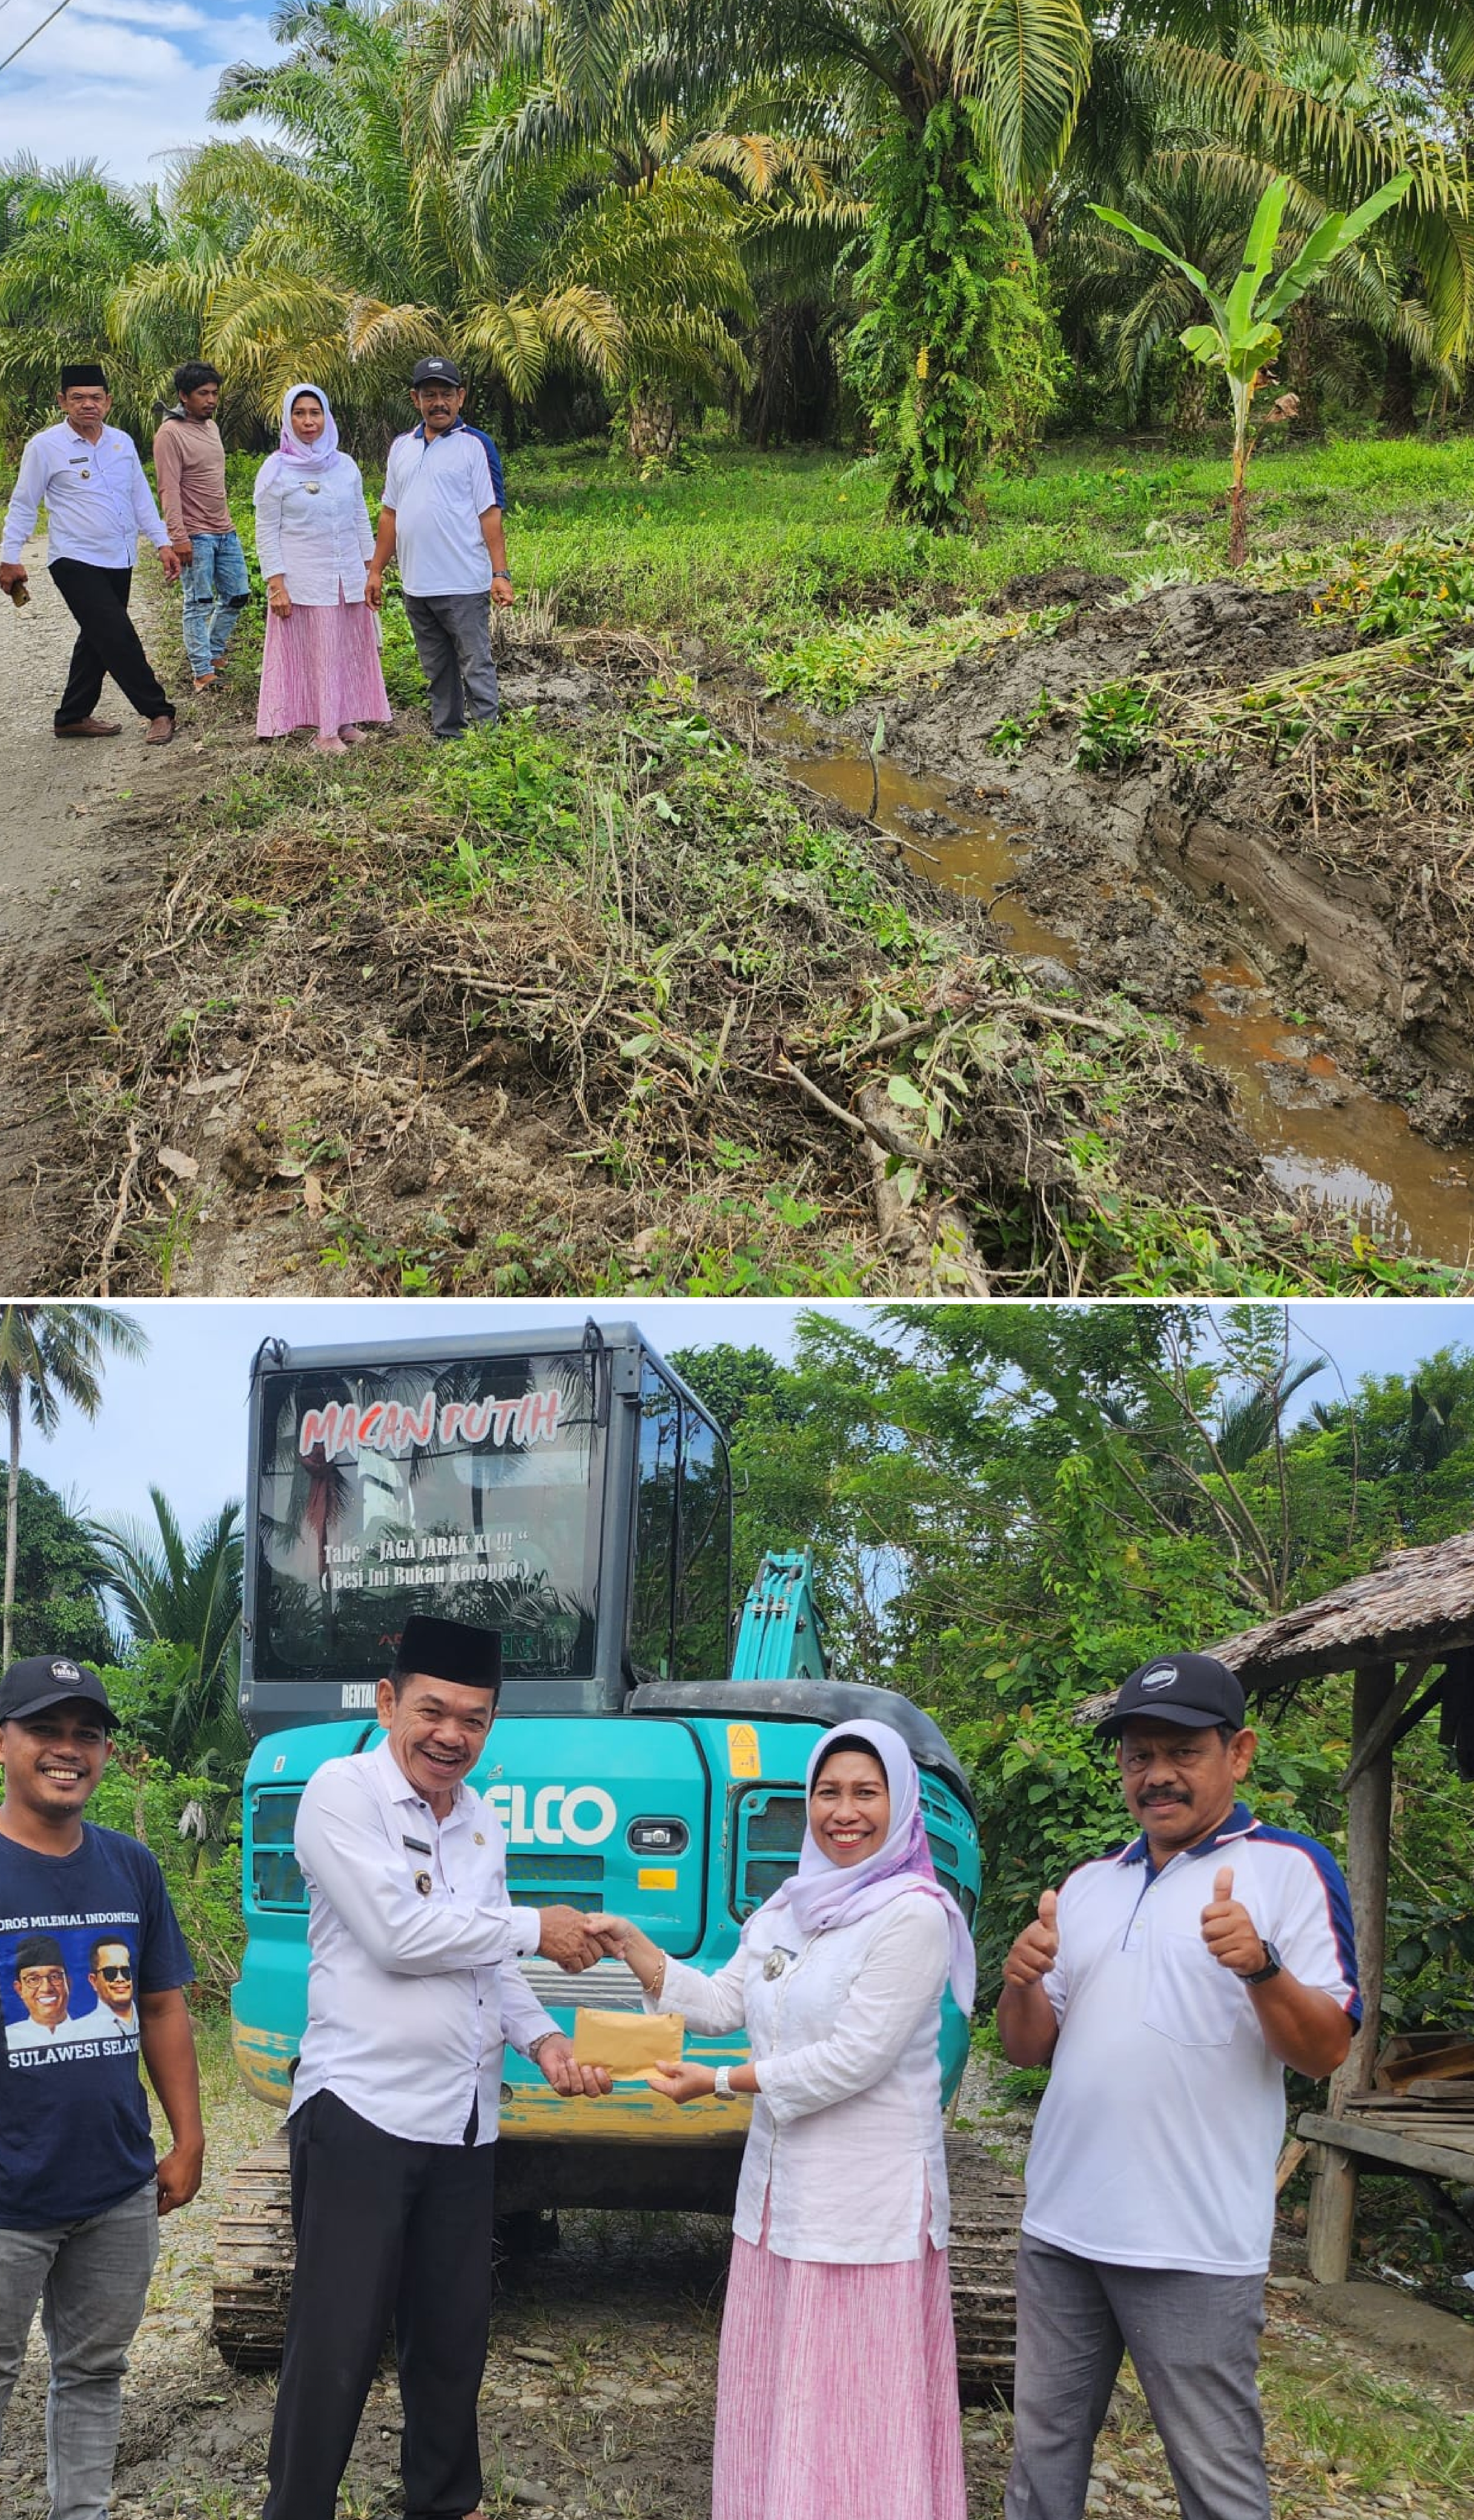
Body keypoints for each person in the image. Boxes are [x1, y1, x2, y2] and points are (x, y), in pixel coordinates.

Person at [262, 1614, 612, 2520]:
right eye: (434, 1710)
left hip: (464, 2125)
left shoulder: (484, 1824)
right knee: (334, 2348)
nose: (453, 1734)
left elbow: (488, 1960)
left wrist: (545, 2041)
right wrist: (541, 1924)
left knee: (453, 2347)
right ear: (389, 1703)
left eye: (476, 1717)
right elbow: (399, 1933)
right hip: (361, 2115)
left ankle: (443, 2507)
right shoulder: (342, 1793)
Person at [998, 1651, 1361, 2520]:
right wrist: (1018, 1978)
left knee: (1217, 2477)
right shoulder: (1090, 1884)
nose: (1156, 1773)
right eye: (1138, 1754)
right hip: (1062, 2229)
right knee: (1042, 2455)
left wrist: (1262, 1966)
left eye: (1182, 1752)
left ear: (1237, 1752)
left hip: (1192, 2243)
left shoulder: (1289, 1871)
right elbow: (1024, 2051)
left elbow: (1327, 2053)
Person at [589, 1719, 975, 2520]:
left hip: (864, 2207)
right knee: (786, 2394)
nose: (843, 1811)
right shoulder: (790, 1907)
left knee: (854, 2406)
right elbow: (729, 1999)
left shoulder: (912, 1915)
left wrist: (722, 2081)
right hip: (780, 2195)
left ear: (898, 1803)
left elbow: (854, 2057)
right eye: (826, 1793)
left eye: (865, 1793)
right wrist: (640, 1952)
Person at [0, 1653, 203, 2520]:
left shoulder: (131, 1866)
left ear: (108, 1754)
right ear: (5, 1741)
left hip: (116, 2187)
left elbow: (160, 2005)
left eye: (87, 1734)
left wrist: (189, 2138)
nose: (68, 1749)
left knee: (93, 2372)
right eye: (46, 1729)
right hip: (7, 2195)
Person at [0, 364, 182, 745]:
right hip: (74, 559)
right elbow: (23, 505)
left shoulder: (121, 442)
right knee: (118, 636)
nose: (88, 405)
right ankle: (159, 711)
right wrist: (9, 556)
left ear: (108, 402)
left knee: (98, 636)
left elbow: (140, 498)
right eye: (78, 397)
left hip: (120, 557)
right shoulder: (46, 447)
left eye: (96, 397)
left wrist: (163, 542)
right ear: (63, 401)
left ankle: (72, 716)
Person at [366, 354, 514, 741]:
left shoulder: (475, 446)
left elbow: (490, 513)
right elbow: (390, 514)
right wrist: (377, 570)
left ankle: (489, 740)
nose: (439, 403)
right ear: (415, 400)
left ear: (461, 397)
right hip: (417, 585)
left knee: (475, 663)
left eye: (446, 394)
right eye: (429, 395)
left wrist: (500, 574)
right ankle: (448, 735)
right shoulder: (402, 447)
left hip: (464, 582)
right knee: (437, 667)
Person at [253, 382, 390, 756]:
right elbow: (265, 530)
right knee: (321, 653)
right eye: (299, 414)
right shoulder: (276, 470)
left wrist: (371, 571)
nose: (308, 422)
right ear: (287, 419)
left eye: (315, 413)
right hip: (305, 579)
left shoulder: (344, 465)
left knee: (347, 649)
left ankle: (344, 720)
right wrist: (276, 584)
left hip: (348, 575)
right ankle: (324, 732)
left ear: (327, 417)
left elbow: (360, 519)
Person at [153, 360, 251, 695]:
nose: (211, 400)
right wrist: (178, 538)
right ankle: (201, 671)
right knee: (199, 602)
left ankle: (214, 651)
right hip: (195, 534)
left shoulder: (212, 428)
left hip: (225, 530)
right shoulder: (170, 434)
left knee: (238, 594)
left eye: (214, 394)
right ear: (184, 396)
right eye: (202, 394)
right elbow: (168, 489)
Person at [9, 1931, 94, 2049]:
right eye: (33, 1980)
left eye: (55, 1977)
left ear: (68, 1984)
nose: (47, 1988)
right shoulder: (9, 2039)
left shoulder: (95, 2033)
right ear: (19, 1990)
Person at [87, 1935, 141, 2042]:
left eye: (126, 1971)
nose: (120, 1979)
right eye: (110, 1973)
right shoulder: (82, 2031)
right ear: (94, 1981)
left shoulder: (148, 2020)